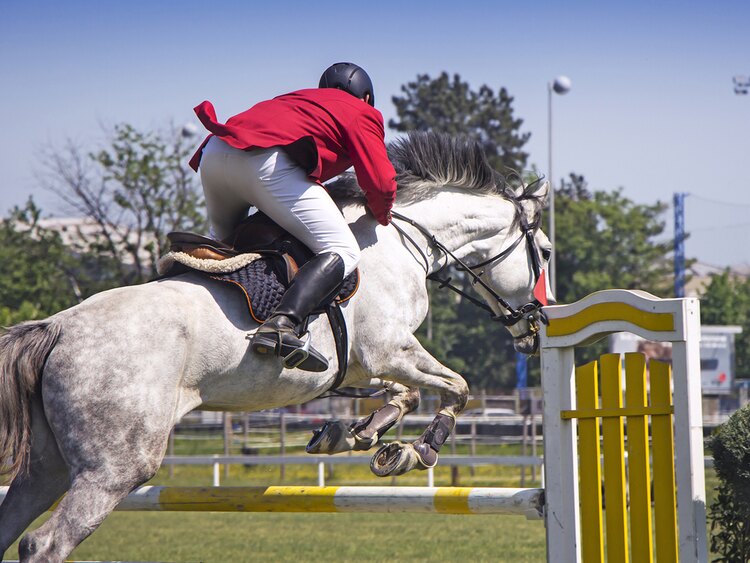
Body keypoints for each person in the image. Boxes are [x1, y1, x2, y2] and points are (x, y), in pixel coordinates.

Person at [188, 62, 397, 373]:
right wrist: (382, 214)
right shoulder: (362, 111)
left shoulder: (296, 99)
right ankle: (282, 324)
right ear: (366, 97)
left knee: (225, 247)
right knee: (343, 249)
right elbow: (380, 182)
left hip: (214, 155)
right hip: (265, 162)